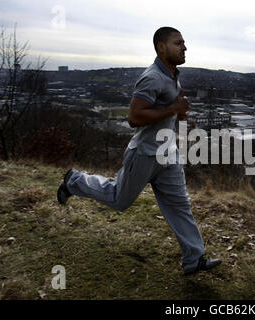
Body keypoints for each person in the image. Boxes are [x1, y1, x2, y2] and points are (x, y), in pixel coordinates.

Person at [57, 27, 221, 276]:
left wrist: (180, 112)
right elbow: (134, 117)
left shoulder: (173, 76)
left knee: (180, 205)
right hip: (144, 153)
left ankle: (194, 259)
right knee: (118, 199)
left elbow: (169, 110)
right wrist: (172, 109)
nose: (185, 47)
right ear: (161, 47)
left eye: (184, 43)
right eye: (178, 43)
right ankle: (74, 180)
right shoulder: (152, 77)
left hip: (168, 153)